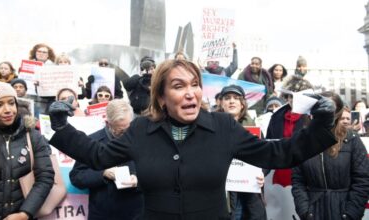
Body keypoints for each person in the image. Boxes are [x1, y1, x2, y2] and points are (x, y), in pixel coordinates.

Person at [48, 59, 336, 220]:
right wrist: (62, 128)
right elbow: (98, 157)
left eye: (195, 84)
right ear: (161, 97)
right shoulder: (140, 130)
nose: (190, 93)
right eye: (178, 86)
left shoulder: (223, 127)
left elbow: (279, 155)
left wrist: (321, 126)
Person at [0, 81, 54, 219]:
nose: (8, 110)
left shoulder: (31, 135)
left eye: (11, 103)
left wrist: (24, 213)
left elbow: (45, 177)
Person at [292, 91, 369, 220]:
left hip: (344, 212)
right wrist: (305, 211)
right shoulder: (303, 140)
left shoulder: (351, 139)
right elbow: (298, 181)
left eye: (330, 109)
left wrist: (350, 214)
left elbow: (362, 180)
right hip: (313, 212)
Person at [70, 99, 144, 220]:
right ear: (107, 123)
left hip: (136, 212)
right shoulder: (92, 142)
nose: (126, 134)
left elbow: (159, 173)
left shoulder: (143, 140)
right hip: (104, 213)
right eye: (120, 131)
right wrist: (103, 174)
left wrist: (138, 178)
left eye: (128, 129)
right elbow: (76, 176)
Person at [264, 75, 314, 220]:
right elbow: (269, 145)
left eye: (296, 97)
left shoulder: (313, 117)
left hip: (306, 173)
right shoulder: (277, 116)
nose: (292, 101)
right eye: (289, 96)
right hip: (280, 173)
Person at [218, 84, 266, 220]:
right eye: (227, 98)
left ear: (242, 104)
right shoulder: (212, 128)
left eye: (236, 98)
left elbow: (265, 155)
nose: (231, 101)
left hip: (250, 192)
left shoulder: (254, 129)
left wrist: (262, 173)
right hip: (223, 193)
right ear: (221, 103)